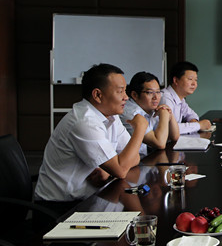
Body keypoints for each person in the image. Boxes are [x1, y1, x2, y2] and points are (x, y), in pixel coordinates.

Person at [34, 63, 148, 210]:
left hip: (90, 198)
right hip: (60, 207)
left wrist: (109, 171)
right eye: (120, 91)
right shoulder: (84, 122)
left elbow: (134, 157)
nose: (126, 97)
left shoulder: (111, 116)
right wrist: (140, 129)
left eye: (125, 91)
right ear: (97, 95)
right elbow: (121, 169)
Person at [121, 71, 180, 154]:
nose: (155, 97)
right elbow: (159, 143)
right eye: (150, 92)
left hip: (144, 157)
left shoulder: (148, 107)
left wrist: (169, 113)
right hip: (134, 160)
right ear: (134, 95)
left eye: (158, 92)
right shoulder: (131, 113)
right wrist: (164, 115)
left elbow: (175, 137)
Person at [160, 61, 212, 134]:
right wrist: (198, 125)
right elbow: (169, 129)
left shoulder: (180, 98)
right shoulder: (165, 98)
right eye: (190, 79)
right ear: (176, 80)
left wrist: (193, 121)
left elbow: (191, 114)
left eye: (196, 80)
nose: (194, 84)